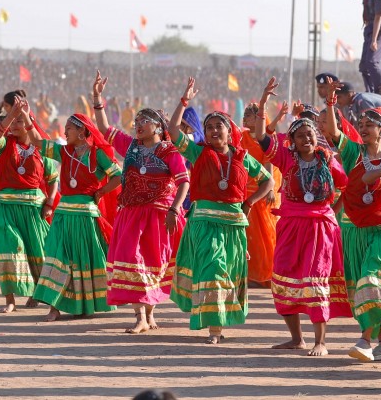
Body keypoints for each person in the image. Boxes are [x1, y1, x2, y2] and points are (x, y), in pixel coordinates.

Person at [168, 77, 273, 344]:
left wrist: (249, 203)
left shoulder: (241, 157)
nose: (214, 131)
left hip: (234, 226)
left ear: (230, 131)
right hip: (203, 224)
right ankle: (215, 330)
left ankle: (219, 323)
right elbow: (172, 130)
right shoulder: (198, 153)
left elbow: (268, 181)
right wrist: (184, 100)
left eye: (219, 127)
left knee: (226, 273)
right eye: (210, 127)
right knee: (212, 269)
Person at [253, 77, 351, 356]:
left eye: (310, 135)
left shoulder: (327, 159)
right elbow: (261, 137)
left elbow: (346, 186)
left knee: (316, 278)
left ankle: (320, 341)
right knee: (283, 276)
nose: (306, 139)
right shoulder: (286, 159)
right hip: (291, 224)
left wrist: (333, 211)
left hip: (320, 227)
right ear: (292, 141)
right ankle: (297, 338)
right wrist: (262, 103)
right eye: (300, 136)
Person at [91, 71, 190, 334]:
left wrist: (174, 208)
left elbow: (184, 182)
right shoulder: (131, 146)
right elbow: (105, 129)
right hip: (131, 214)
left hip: (159, 216)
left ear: (158, 127)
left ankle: (149, 313)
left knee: (152, 264)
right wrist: (98, 98)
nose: (138, 124)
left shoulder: (170, 152)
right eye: (136, 121)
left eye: (144, 121)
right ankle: (140, 317)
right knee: (131, 260)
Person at [320, 77, 381, 363]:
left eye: (370, 125)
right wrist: (331, 103)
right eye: (362, 125)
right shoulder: (354, 153)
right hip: (353, 230)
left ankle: (364, 339)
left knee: (371, 279)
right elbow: (333, 132)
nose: (364, 128)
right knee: (360, 287)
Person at [28, 100, 123, 322]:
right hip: (63, 216)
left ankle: (83, 304)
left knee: (82, 261)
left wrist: (100, 192)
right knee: (57, 258)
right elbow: (37, 141)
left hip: (86, 218)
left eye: (69, 129)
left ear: (82, 132)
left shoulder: (97, 154)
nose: (64, 132)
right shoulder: (64, 152)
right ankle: (54, 306)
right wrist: (27, 118)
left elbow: (119, 175)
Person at [0, 99, 59, 313]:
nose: (14, 125)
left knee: (35, 252)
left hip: (33, 209)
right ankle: (10, 300)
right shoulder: (5, 145)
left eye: (20, 121)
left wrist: (49, 203)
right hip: (5, 207)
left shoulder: (41, 150)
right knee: (9, 248)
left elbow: (53, 177)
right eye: (13, 121)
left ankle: (35, 294)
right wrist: (11, 115)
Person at [240, 102, 280, 287]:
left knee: (264, 235)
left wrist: (270, 189)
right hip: (242, 192)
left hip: (260, 192)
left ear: (258, 119)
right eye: (245, 115)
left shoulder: (266, 140)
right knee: (247, 234)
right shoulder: (241, 137)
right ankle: (248, 273)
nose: (244, 118)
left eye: (248, 115)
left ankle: (264, 273)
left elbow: (268, 163)